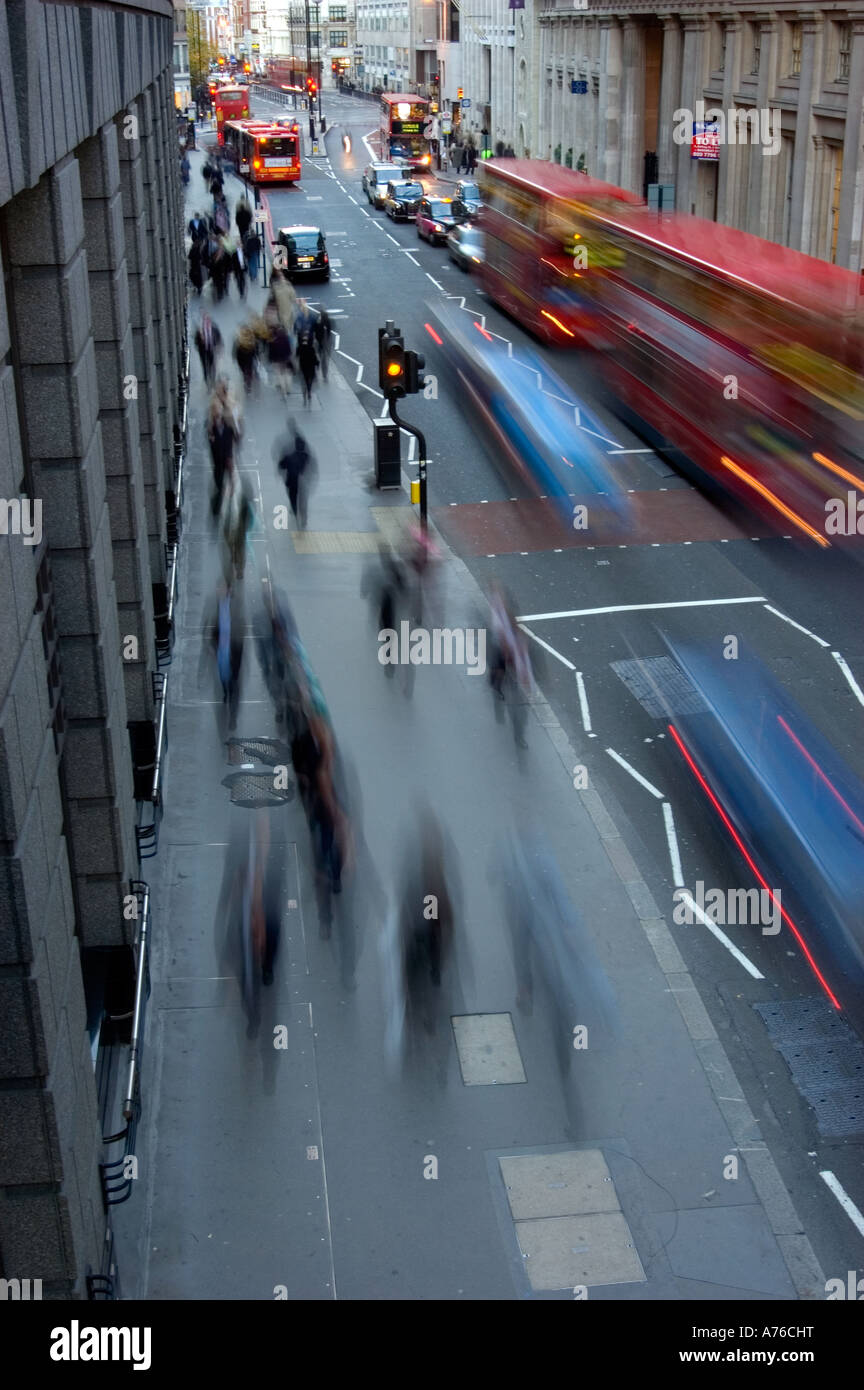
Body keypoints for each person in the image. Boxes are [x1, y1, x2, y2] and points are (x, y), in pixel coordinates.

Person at [207, 379, 241, 515]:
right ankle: (221, 496)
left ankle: (230, 491)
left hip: (226, 447)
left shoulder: (230, 402)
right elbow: (211, 423)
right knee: (219, 477)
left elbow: (235, 419)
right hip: (218, 452)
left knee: (229, 470)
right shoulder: (214, 403)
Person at [275, 427, 315, 529]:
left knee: (293, 498)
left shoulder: (289, 456)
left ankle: (295, 512)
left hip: (292, 482)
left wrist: (280, 471)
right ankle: (304, 518)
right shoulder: (305, 455)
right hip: (302, 482)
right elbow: (311, 465)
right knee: (303, 501)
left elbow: (281, 465)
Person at [195, 314, 222, 385]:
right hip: (203, 352)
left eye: (208, 321)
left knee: (212, 366)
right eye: (205, 321)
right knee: (205, 367)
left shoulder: (214, 329)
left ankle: (212, 379)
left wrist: (218, 346)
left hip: (211, 350)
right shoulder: (200, 331)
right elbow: (196, 342)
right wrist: (200, 342)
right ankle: (207, 381)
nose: (206, 323)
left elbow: (219, 338)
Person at [233, 324, 258, 393]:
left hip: (242, 359)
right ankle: (248, 384)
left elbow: (235, 349)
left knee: (245, 372)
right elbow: (256, 348)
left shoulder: (239, 339)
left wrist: (234, 357)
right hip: (248, 358)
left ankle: (247, 383)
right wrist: (256, 356)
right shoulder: (251, 338)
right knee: (249, 371)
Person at [313, 307, 333, 382]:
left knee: (317, 358)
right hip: (324, 344)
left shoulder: (319, 321)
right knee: (323, 360)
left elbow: (315, 331)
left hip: (320, 343)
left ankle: (316, 373)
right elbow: (329, 332)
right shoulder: (327, 321)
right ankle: (324, 375)